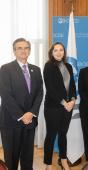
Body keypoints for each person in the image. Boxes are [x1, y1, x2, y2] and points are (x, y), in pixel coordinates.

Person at [0, 38, 43, 170]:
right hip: (11, 122)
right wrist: (21, 115)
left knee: (27, 157)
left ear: (29, 50)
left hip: (30, 121)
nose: (23, 50)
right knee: (11, 160)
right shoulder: (6, 69)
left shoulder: (36, 69)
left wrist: (31, 113)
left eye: (26, 48)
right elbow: (6, 95)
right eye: (19, 48)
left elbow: (39, 93)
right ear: (14, 51)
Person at [43, 42, 76, 170]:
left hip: (68, 107)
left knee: (63, 134)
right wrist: (65, 103)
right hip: (53, 107)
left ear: (64, 52)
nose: (58, 52)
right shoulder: (48, 66)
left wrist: (72, 100)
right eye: (55, 50)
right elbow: (51, 89)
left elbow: (72, 86)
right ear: (51, 52)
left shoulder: (69, 66)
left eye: (61, 50)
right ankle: (48, 164)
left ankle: (63, 161)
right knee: (51, 135)